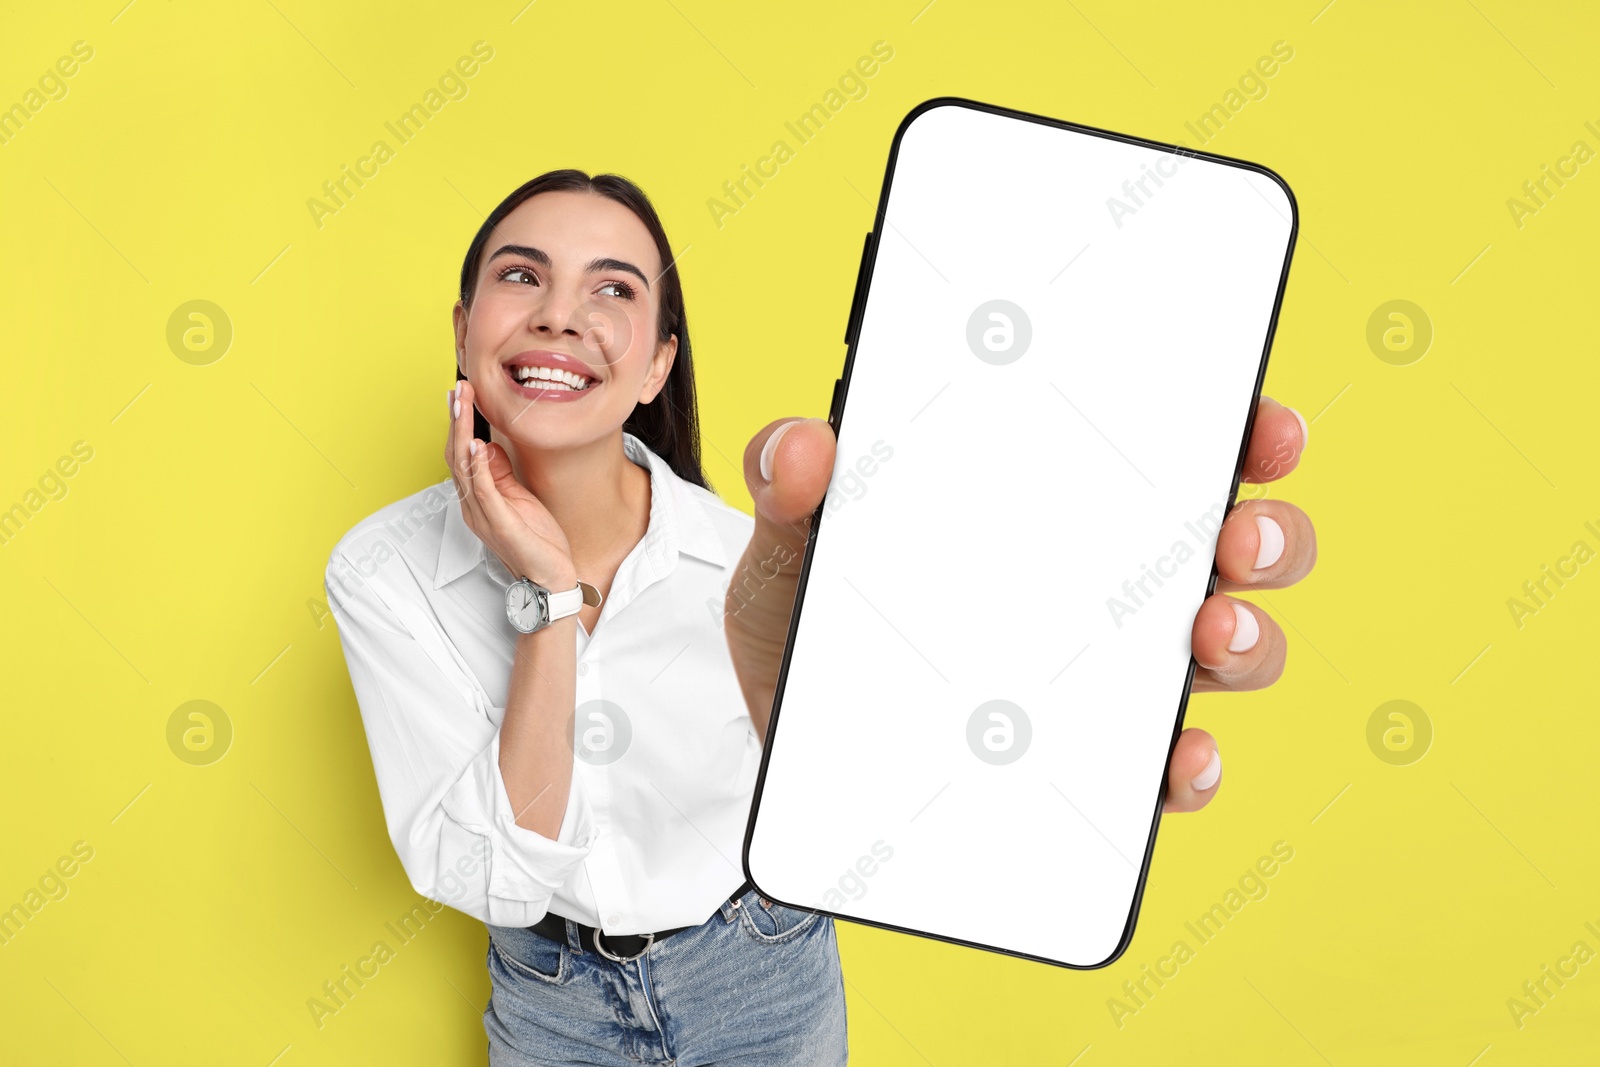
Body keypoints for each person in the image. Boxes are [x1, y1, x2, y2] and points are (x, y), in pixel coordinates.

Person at [323, 168, 1316, 1066]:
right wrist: (546, 599)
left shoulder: (758, 566)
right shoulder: (384, 573)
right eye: (521, 277)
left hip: (762, 970)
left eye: (612, 289)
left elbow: (892, 773)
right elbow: (494, 879)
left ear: (658, 364)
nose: (559, 316)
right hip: (553, 1006)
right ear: (463, 329)